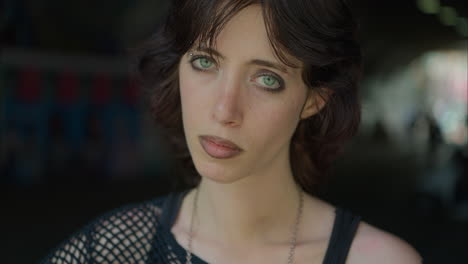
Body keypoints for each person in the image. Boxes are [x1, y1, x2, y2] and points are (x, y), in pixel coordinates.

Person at [40, 0, 423, 263]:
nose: (225, 110)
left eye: (267, 79)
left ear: (313, 100)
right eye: (205, 62)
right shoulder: (113, 250)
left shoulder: (377, 259)